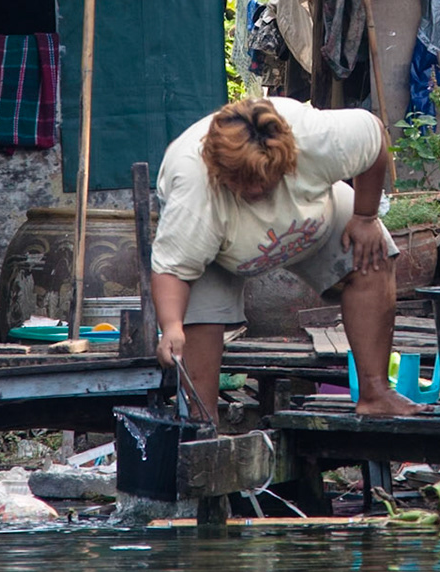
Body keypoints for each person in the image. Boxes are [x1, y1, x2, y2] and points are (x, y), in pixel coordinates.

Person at [149, 97, 425, 418]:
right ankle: (201, 423)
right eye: (243, 182)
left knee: (373, 252)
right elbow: (172, 270)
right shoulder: (192, 187)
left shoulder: (317, 137)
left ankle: (375, 392)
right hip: (217, 252)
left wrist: (365, 217)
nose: (254, 192)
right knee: (195, 322)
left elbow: (375, 138)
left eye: (263, 180)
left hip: (312, 215)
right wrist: (171, 327)